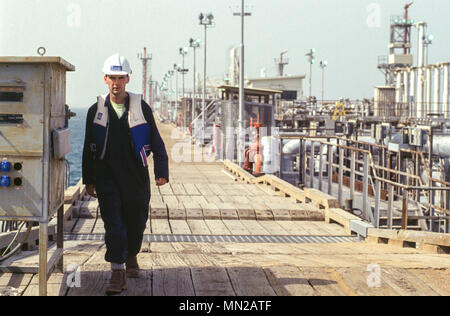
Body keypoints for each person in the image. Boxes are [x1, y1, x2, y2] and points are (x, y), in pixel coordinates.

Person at [82, 53, 169, 295]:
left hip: (135, 175)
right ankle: (117, 272)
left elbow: (156, 141)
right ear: (105, 79)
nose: (116, 83)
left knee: (137, 220)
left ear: (128, 79)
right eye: (112, 77)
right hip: (106, 175)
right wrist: (88, 179)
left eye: (121, 77)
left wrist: (161, 170)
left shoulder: (142, 108)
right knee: (114, 224)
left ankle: (132, 254)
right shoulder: (94, 110)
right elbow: (88, 146)